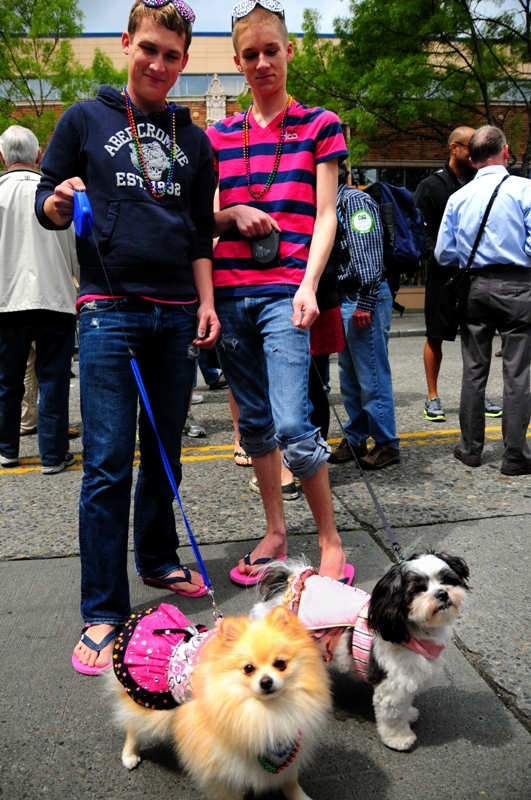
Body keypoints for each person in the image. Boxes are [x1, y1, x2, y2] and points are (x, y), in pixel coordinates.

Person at [35, 0, 220, 675]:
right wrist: (56, 201)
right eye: (149, 48)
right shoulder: (85, 118)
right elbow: (47, 199)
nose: (159, 64)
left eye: (172, 55)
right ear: (126, 43)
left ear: (184, 59)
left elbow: (200, 232)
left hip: (177, 314)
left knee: (164, 454)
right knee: (109, 464)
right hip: (108, 310)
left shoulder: (194, 140)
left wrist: (207, 304)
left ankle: (157, 557)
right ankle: (104, 609)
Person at [206, 0, 352, 585]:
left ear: (289, 51)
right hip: (231, 290)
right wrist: (233, 212)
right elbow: (206, 221)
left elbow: (325, 215)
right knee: (256, 426)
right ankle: (275, 531)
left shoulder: (320, 124)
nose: (262, 62)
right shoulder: (217, 136)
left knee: (294, 423)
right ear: (237, 62)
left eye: (272, 50)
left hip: (284, 292)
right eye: (251, 54)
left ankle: (330, 539)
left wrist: (309, 284)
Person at [435, 125, 531, 476]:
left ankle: (471, 448)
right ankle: (515, 455)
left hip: (474, 286)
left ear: (472, 158)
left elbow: (443, 254)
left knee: (474, 369)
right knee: (517, 372)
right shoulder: (524, 189)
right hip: (517, 285)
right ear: (505, 152)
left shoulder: (458, 198)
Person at [0, 125, 78, 474]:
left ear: (1, 158)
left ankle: (6, 450)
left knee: (7, 381)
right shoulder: (57, 195)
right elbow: (78, 252)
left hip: (6, 302)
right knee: (53, 381)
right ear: (39, 156)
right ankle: (53, 453)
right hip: (55, 299)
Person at [413, 127, 503, 423]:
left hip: (474, 274)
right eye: (470, 147)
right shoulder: (431, 186)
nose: (475, 152)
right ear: (454, 148)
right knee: (436, 335)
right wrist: (438, 257)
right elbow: (419, 231)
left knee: (478, 336)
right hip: (443, 274)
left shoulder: (481, 184)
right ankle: (432, 396)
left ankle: (478, 393)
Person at [329, 163, 400, 469]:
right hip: (347, 295)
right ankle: (357, 437)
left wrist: (366, 302)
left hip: (363, 295)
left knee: (371, 375)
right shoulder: (331, 204)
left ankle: (386, 443)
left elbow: (369, 253)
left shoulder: (355, 202)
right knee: (350, 376)